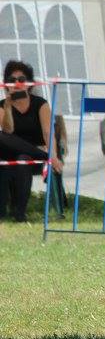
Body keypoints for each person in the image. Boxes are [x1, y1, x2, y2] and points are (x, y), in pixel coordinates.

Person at [0, 60, 63, 222]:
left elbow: (48, 132)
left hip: (31, 158)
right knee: (3, 138)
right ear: (7, 85)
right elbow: (8, 131)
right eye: (12, 81)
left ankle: (19, 213)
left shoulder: (40, 104)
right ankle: (43, 155)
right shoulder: (2, 105)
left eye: (21, 79)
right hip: (12, 154)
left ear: (29, 84)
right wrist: (7, 107)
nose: (17, 84)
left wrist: (53, 155)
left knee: (24, 160)